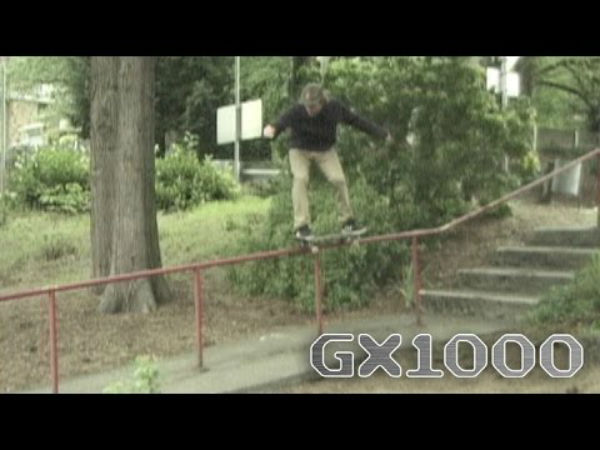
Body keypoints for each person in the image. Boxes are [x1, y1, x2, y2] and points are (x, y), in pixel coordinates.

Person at [263, 82, 392, 239]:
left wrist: (381, 133)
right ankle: (301, 226)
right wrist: (272, 129)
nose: (309, 110)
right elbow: (281, 122)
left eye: (313, 107)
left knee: (338, 179)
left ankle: (348, 222)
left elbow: (357, 121)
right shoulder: (298, 110)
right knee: (301, 178)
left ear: (322, 102)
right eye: (307, 107)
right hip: (300, 150)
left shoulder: (334, 108)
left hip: (325, 150)